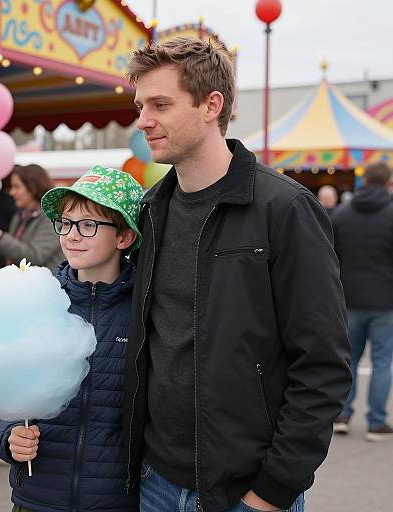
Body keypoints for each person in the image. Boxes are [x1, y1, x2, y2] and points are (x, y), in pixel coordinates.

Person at [123, 37, 351, 512]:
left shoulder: (285, 209)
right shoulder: (151, 211)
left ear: (212, 105)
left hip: (245, 493)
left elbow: (323, 365)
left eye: (160, 104)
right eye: (141, 104)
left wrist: (271, 492)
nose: (143, 119)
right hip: (153, 481)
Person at [0, 166, 143, 512]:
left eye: (88, 225)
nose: (72, 235)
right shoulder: (37, 301)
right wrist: (7, 434)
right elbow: (0, 392)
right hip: (38, 498)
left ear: (124, 237)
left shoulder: (144, 312)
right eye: (67, 223)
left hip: (117, 501)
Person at [332, 161, 393, 440]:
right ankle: (376, 422)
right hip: (385, 299)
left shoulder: (343, 214)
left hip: (348, 297)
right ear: (388, 182)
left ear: (364, 180)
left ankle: (342, 415)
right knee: (382, 361)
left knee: (349, 359)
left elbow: (332, 256)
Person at [0, 164, 63, 272]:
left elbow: (34, 257)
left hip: (46, 285)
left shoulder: (51, 218)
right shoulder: (19, 217)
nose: (12, 192)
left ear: (33, 187)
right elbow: (9, 260)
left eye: (17, 187)